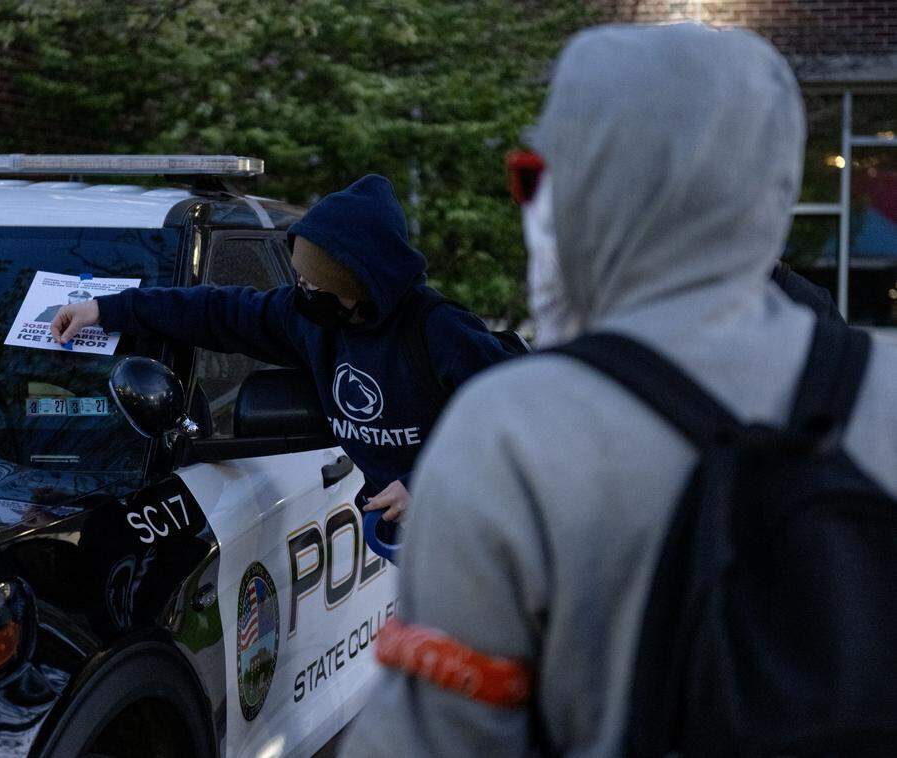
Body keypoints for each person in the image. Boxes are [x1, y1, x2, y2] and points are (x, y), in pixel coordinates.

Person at [342, 23, 897, 756]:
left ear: (579, 195)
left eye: (534, 181)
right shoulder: (884, 386)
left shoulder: (511, 431)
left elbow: (437, 737)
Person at [50, 174, 516, 522]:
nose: (302, 287)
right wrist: (108, 309)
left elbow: (513, 427)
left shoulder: (439, 331)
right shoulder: (308, 319)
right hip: (408, 529)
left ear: (356, 281)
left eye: (314, 280)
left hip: (477, 527)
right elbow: (217, 312)